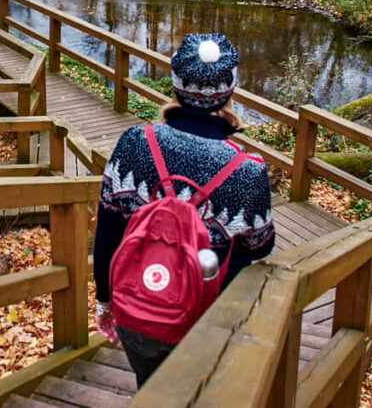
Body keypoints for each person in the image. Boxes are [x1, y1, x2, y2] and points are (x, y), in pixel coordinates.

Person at [92, 32, 276, 387]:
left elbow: (107, 233)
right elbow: (261, 246)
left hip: (137, 309)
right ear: (230, 90)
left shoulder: (134, 144)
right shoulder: (249, 172)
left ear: (175, 86)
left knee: (150, 388)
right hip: (205, 320)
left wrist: (104, 300)